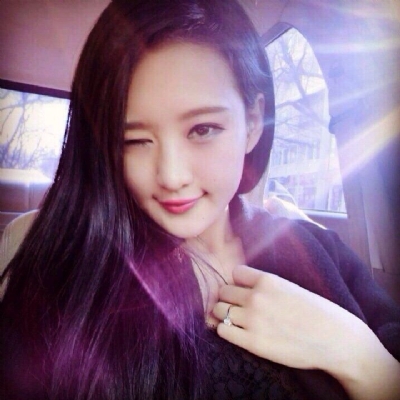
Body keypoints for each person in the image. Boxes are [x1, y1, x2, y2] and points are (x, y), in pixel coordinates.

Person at [1, 0, 399, 399]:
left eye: (203, 129)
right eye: (135, 140)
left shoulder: (320, 249)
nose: (171, 176)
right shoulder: (65, 279)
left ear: (252, 123)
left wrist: (354, 352)